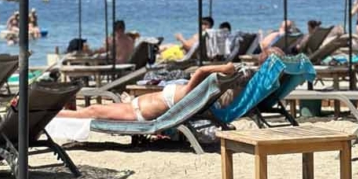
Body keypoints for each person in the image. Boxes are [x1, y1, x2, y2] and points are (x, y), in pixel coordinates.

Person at [55, 61, 237, 123]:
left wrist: (225, 67)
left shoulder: (189, 93)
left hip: (137, 113)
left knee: (92, 111)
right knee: (91, 109)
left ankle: (53, 115)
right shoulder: (192, 94)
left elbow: (201, 70)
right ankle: (61, 113)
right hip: (134, 106)